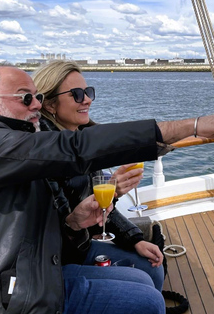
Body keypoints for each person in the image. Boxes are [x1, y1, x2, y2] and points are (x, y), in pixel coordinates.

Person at [0, 64, 214, 314]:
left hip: (32, 275)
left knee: (145, 280)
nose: (34, 104)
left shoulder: (17, 146)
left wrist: (77, 221)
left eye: (37, 97)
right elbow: (76, 149)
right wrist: (193, 126)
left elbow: (79, 165)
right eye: (25, 98)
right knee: (147, 299)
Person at [31, 60, 164, 291]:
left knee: (153, 265)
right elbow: (62, 230)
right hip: (61, 257)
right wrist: (111, 193)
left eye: (88, 91)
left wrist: (134, 238)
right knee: (147, 277)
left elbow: (96, 204)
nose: (88, 99)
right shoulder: (45, 153)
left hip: (83, 239)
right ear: (50, 105)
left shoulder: (83, 139)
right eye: (77, 94)